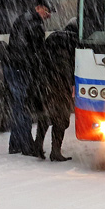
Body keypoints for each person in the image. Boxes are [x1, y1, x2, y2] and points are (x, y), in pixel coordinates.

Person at [5, 0, 54, 156]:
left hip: (14, 67)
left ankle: (15, 144)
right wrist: (38, 68)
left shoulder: (23, 19)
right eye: (46, 11)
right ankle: (26, 145)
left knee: (19, 106)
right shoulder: (34, 24)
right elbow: (36, 51)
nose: (47, 15)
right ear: (38, 8)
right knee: (24, 107)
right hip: (23, 69)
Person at [31, 18, 78, 162]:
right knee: (62, 118)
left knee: (45, 114)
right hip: (60, 83)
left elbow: (40, 58)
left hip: (45, 81)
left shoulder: (53, 37)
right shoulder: (75, 41)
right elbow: (70, 65)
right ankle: (55, 151)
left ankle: (37, 146)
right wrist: (71, 82)